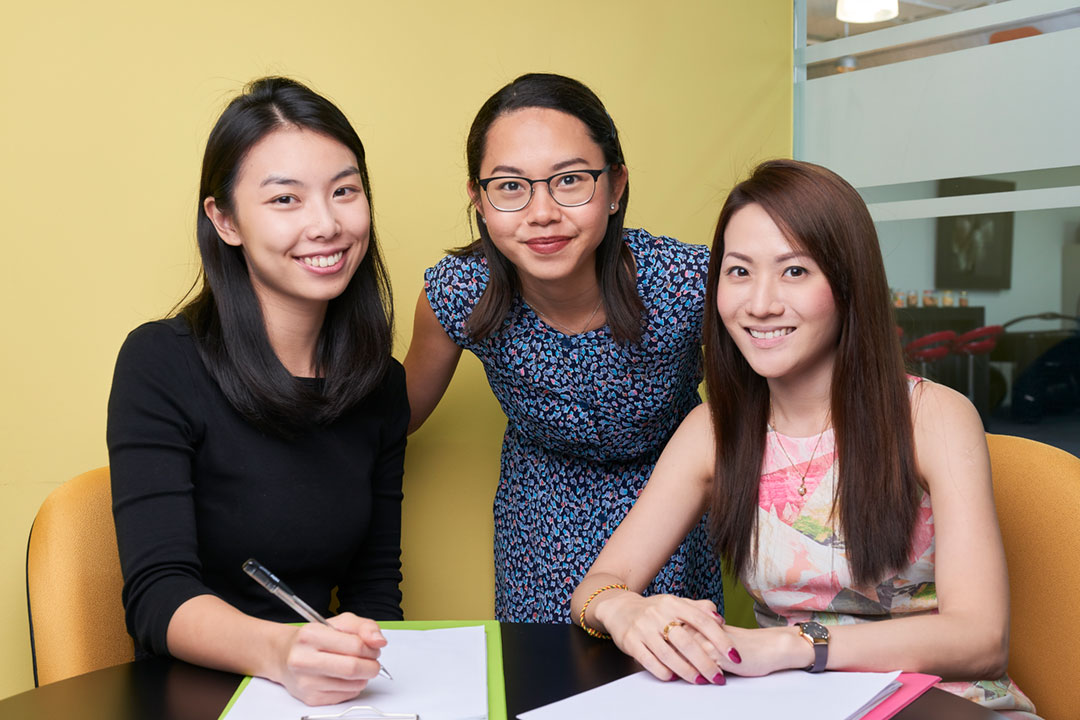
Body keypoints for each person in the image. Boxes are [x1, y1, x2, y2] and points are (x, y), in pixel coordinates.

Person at [571, 160, 1038, 716]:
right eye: (739, 272)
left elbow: (981, 640)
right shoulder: (713, 430)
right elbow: (598, 586)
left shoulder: (934, 416)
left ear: (847, 283)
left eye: (794, 271)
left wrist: (794, 646)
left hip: (942, 701)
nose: (760, 303)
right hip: (795, 702)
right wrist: (623, 611)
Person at [107, 77, 408, 706]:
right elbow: (158, 594)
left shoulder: (380, 382)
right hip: (196, 695)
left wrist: (366, 668)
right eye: (285, 199)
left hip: (328, 696)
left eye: (345, 191)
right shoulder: (160, 362)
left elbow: (375, 589)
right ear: (225, 220)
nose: (326, 224)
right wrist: (278, 652)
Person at [403, 73, 723, 623]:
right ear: (478, 200)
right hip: (539, 513)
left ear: (616, 184)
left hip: (671, 504)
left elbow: (779, 400)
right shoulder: (458, 291)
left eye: (570, 180)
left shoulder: (691, 282)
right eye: (509, 186)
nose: (542, 212)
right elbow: (394, 415)